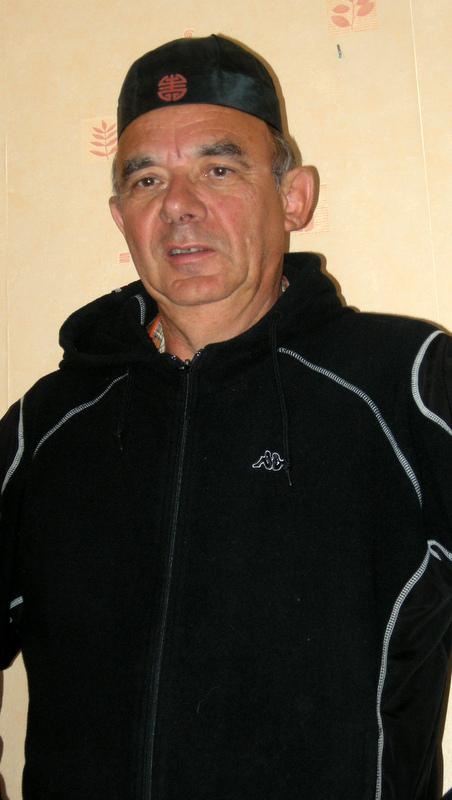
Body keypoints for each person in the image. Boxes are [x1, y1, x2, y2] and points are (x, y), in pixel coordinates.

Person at [0, 33, 451, 800]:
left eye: (219, 168)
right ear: (119, 216)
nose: (178, 205)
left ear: (294, 197)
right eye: (146, 179)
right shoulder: (49, 424)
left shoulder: (405, 384)